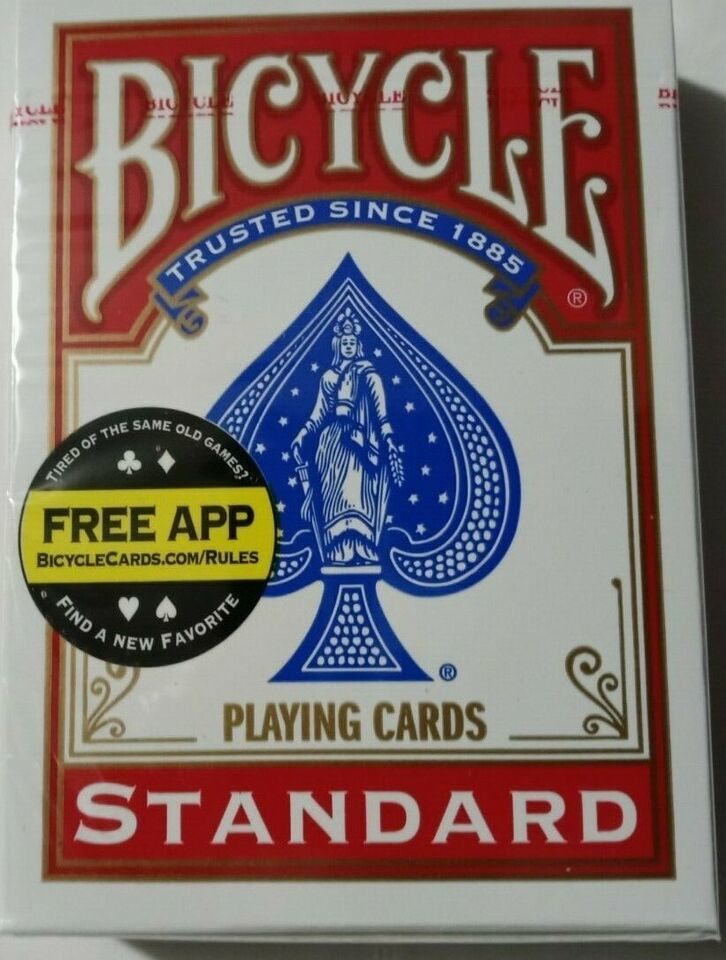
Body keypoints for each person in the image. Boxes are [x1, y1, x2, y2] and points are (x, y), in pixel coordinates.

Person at [292, 311, 404, 564]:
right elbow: (319, 412)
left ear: (358, 345)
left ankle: (363, 547)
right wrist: (303, 432)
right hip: (331, 445)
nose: (349, 346)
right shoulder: (328, 377)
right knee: (334, 496)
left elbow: (381, 410)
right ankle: (338, 548)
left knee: (359, 494)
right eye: (345, 342)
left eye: (353, 342)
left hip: (360, 443)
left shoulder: (368, 373)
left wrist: (387, 436)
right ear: (338, 345)